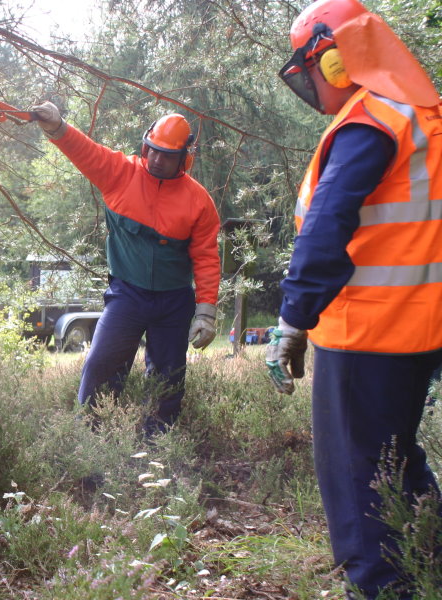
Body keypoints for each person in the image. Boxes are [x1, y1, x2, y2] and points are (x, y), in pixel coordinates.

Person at [265, 0, 442, 597]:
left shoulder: (372, 122)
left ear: (336, 61)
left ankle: (382, 586)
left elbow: (327, 220)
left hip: (367, 331)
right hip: (420, 328)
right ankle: (430, 561)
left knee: (357, 474)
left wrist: (294, 316)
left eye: (309, 69)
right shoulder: (423, 115)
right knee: (396, 457)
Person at [30, 103, 221, 435]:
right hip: (127, 295)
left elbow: (206, 257)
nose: (158, 160)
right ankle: (91, 443)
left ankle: (158, 449)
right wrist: (56, 126)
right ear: (146, 145)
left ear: (184, 159)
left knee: (168, 379)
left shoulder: (199, 201)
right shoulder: (120, 172)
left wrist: (206, 312)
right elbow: (85, 151)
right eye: (154, 151)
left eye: (167, 155)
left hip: (174, 302)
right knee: (101, 365)